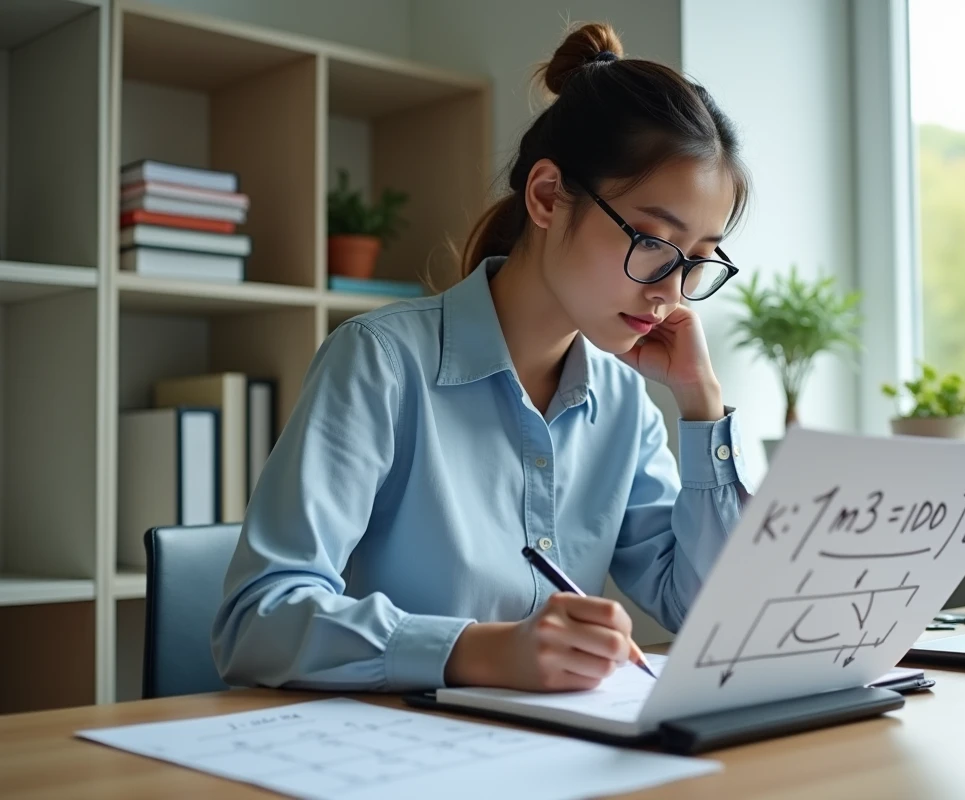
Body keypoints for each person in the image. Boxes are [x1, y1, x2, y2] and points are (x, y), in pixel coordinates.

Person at [212, 22, 752, 695]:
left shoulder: (622, 402)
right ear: (548, 197)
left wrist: (702, 409)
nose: (670, 291)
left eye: (697, 263)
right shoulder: (381, 363)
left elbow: (715, 618)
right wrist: (481, 651)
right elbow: (255, 620)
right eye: (652, 242)